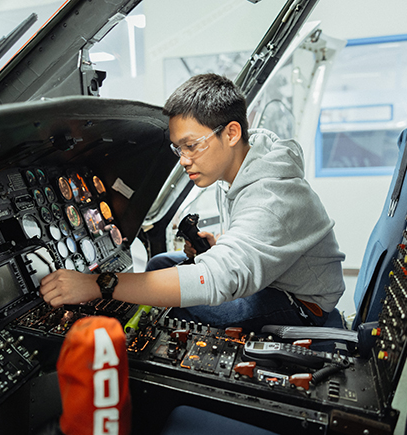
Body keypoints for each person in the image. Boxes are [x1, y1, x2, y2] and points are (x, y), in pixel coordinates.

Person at [40, 73, 345, 331]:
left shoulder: (272, 196)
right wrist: (223, 246)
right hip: (276, 279)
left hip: (300, 305)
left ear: (232, 133)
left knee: (175, 313)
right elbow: (259, 237)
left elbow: (217, 279)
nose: (184, 161)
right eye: (178, 149)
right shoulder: (246, 165)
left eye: (192, 146)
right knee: (160, 263)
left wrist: (98, 283)